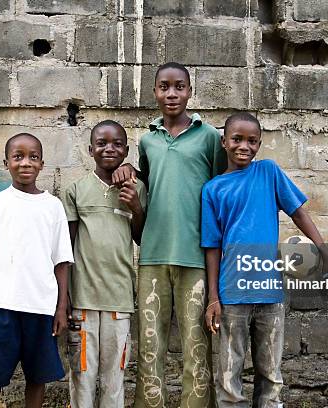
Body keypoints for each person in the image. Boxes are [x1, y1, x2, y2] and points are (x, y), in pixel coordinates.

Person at [201, 112, 328, 408]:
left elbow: (298, 213)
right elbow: (211, 246)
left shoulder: (268, 172)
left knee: (271, 375)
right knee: (228, 373)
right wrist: (213, 296)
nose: (244, 146)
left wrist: (325, 253)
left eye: (252, 141)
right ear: (224, 142)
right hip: (232, 293)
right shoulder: (213, 189)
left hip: (270, 293)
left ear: (259, 144)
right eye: (237, 139)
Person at [113, 61, 226, 408]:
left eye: (179, 87)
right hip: (153, 256)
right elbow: (148, 181)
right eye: (164, 87)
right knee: (150, 346)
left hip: (195, 254)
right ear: (155, 92)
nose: (172, 93)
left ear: (190, 92)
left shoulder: (208, 136)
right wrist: (130, 167)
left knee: (196, 346)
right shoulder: (148, 139)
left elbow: (220, 187)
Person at [0, 133, 73, 408]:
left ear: (42, 164)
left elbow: (61, 261)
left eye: (33, 157)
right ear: (6, 163)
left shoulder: (53, 207)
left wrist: (61, 307)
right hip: (2, 307)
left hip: (41, 310)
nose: (25, 163)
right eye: (18, 157)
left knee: (37, 379)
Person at [64, 120, 146, 408]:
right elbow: (66, 249)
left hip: (119, 301)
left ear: (125, 151)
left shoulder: (137, 188)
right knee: (81, 376)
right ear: (90, 150)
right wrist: (64, 301)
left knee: (115, 377)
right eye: (101, 143)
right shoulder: (75, 190)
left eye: (116, 144)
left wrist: (135, 207)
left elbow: (141, 238)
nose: (109, 148)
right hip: (83, 302)